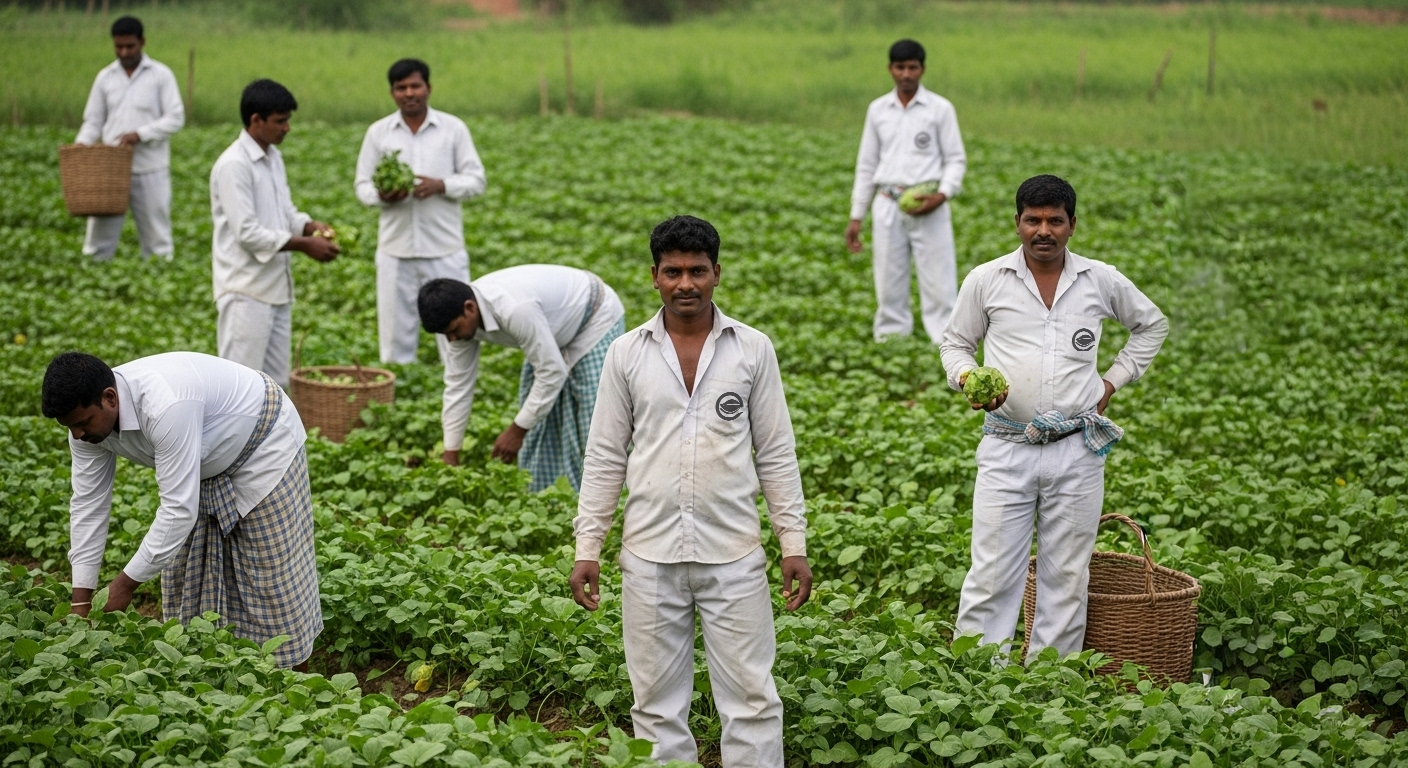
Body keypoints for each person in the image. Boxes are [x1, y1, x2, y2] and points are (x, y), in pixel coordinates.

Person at [569, 216, 812, 768]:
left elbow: (776, 452)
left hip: (734, 554)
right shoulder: (626, 353)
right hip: (649, 555)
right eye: (673, 272)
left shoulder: (752, 349)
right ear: (654, 276)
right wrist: (588, 548)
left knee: (752, 699)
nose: (686, 284)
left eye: (697, 271)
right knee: (654, 706)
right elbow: (605, 456)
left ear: (716, 274)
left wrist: (792, 542)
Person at [939, 175, 1169, 658]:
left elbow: (1151, 325)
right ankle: (979, 671)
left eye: (1055, 221)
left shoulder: (1099, 279)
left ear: (1072, 225)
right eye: (1033, 220)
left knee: (1066, 572)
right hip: (1007, 445)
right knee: (992, 570)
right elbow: (955, 344)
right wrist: (966, 377)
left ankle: (1051, 677)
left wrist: (1112, 382)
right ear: (1017, 223)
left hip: (1076, 448)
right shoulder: (987, 279)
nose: (1043, 231)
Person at [40, 351, 321, 670]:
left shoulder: (165, 404)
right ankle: (217, 672)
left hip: (263, 443)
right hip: (202, 460)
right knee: (190, 576)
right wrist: (81, 601)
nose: (77, 434)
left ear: (110, 398)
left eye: (82, 423)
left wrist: (123, 587)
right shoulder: (83, 430)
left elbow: (178, 511)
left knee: (269, 577)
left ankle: (294, 679)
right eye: (70, 427)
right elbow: (88, 505)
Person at [418, 265, 625, 491]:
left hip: (594, 315)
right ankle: (555, 493)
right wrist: (450, 452)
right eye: (445, 335)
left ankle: (608, 492)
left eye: (453, 330)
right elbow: (458, 387)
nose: (451, 339)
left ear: (469, 308)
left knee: (593, 414)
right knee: (541, 417)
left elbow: (551, 372)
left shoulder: (514, 308)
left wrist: (516, 431)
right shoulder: (459, 324)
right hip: (551, 327)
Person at [210, 79, 340, 389]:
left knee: (276, 385)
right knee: (240, 385)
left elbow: (285, 213)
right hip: (245, 291)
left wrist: (310, 226)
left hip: (276, 289)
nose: (287, 128)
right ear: (256, 120)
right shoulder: (234, 165)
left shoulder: (272, 157)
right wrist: (304, 244)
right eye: (280, 121)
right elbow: (247, 233)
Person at [356, 58, 486, 366]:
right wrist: (383, 196)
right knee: (394, 339)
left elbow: (477, 180)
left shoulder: (453, 129)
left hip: (444, 249)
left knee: (456, 335)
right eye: (401, 88)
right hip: (395, 251)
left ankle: (456, 386)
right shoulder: (379, 133)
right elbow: (362, 185)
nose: (409, 93)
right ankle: (400, 386)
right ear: (392, 92)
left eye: (415, 86)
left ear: (428, 88)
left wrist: (441, 185)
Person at [846, 38, 967, 343]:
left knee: (939, 281)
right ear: (890, 69)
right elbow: (867, 164)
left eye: (912, 67)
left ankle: (946, 344)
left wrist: (942, 195)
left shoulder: (939, 109)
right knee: (888, 279)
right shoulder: (878, 110)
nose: (906, 74)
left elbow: (955, 159)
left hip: (929, 204)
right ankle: (891, 339)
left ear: (922, 69)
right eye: (900, 67)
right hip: (887, 202)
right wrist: (857, 215)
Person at [75, 15, 185, 262]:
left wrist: (140, 135)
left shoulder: (160, 75)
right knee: (98, 242)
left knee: (158, 240)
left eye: (130, 46)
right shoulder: (105, 77)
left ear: (142, 42)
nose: (124, 52)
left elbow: (176, 118)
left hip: (150, 168)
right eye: (118, 46)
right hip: (111, 170)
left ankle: (161, 276)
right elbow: (93, 121)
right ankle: (95, 274)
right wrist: (81, 145)